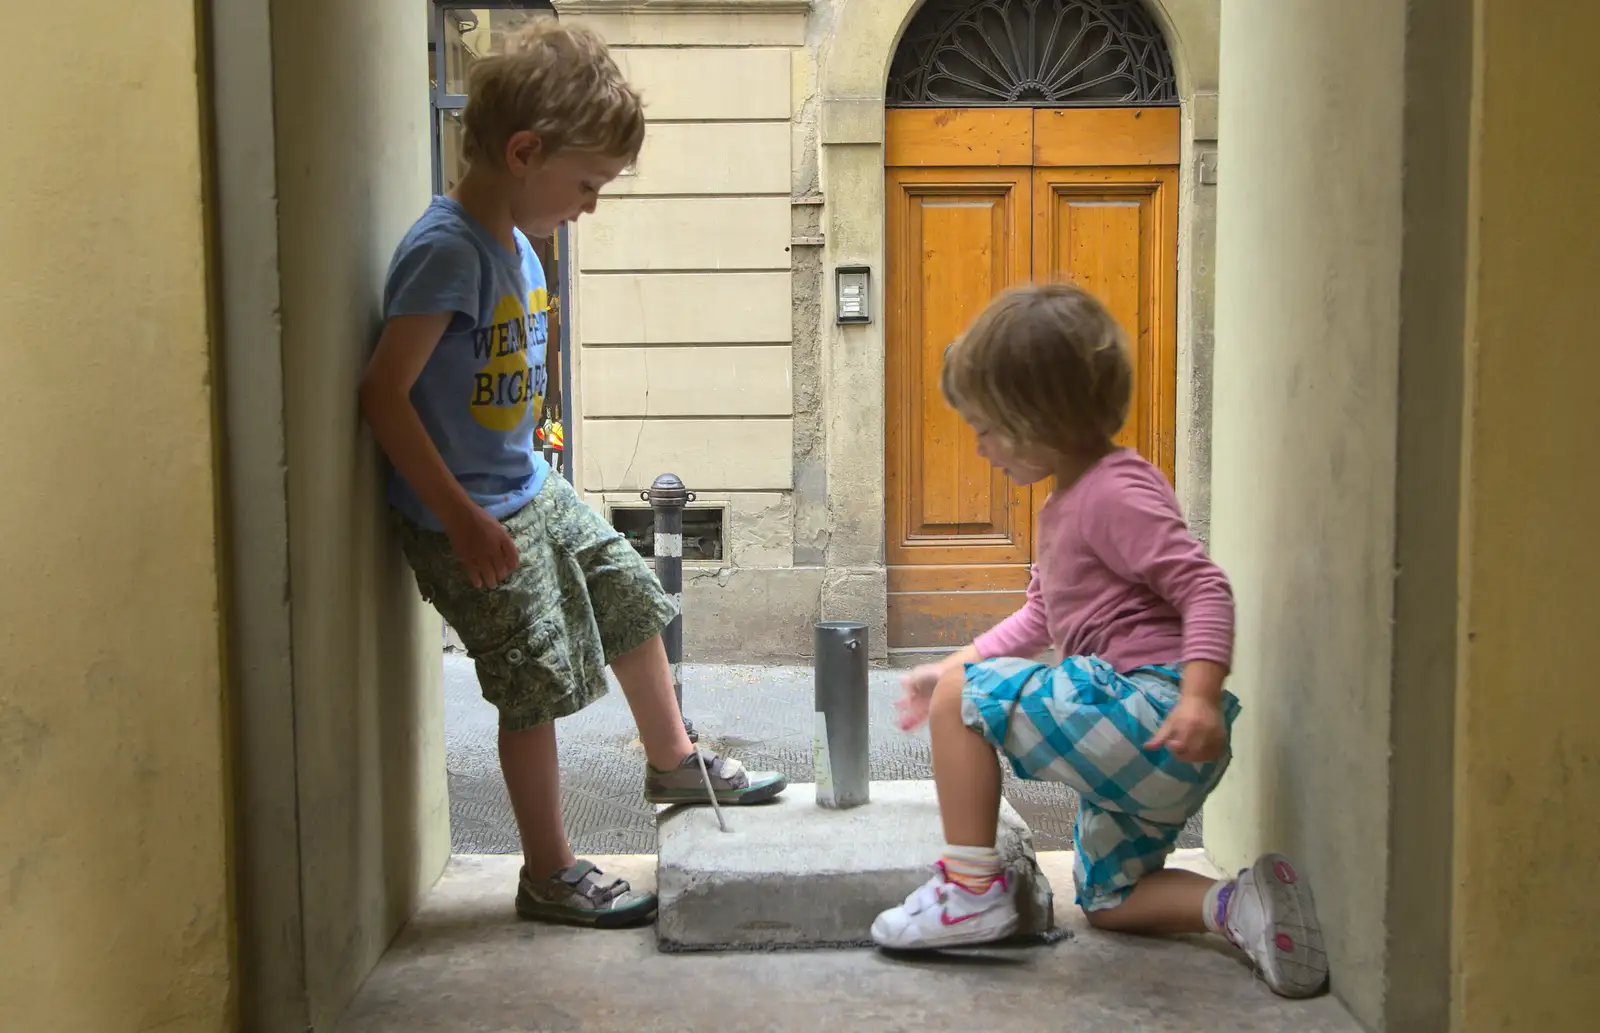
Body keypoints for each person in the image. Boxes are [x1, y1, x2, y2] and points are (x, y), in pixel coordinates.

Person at [359, 20, 786, 931]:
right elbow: (384, 396)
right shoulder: (449, 251)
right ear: (524, 152)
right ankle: (548, 871)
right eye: (587, 184)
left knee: (632, 594)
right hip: (467, 517)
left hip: (525, 484)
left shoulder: (516, 240)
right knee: (534, 680)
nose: (591, 204)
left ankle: (670, 757)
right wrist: (462, 518)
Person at [872, 283, 1328, 999]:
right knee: (1112, 900)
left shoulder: (1116, 491)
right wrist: (948, 671)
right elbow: (1038, 624)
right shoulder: (1067, 504)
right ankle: (1236, 904)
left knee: (966, 700)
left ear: (1035, 418)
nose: (979, 446)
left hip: (1155, 711)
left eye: (986, 427)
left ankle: (969, 891)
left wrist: (1201, 696)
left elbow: (1203, 587)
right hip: (1149, 746)